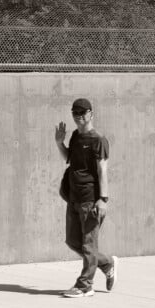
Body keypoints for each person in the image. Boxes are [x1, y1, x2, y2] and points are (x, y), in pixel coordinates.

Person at [54, 97, 117, 297]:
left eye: (83, 113)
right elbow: (69, 159)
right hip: (73, 198)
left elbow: (102, 170)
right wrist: (59, 143)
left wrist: (103, 199)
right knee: (74, 242)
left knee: (89, 245)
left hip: (91, 200)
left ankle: (85, 285)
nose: (79, 117)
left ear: (91, 113)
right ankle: (107, 263)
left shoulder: (98, 139)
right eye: (75, 113)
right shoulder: (75, 136)